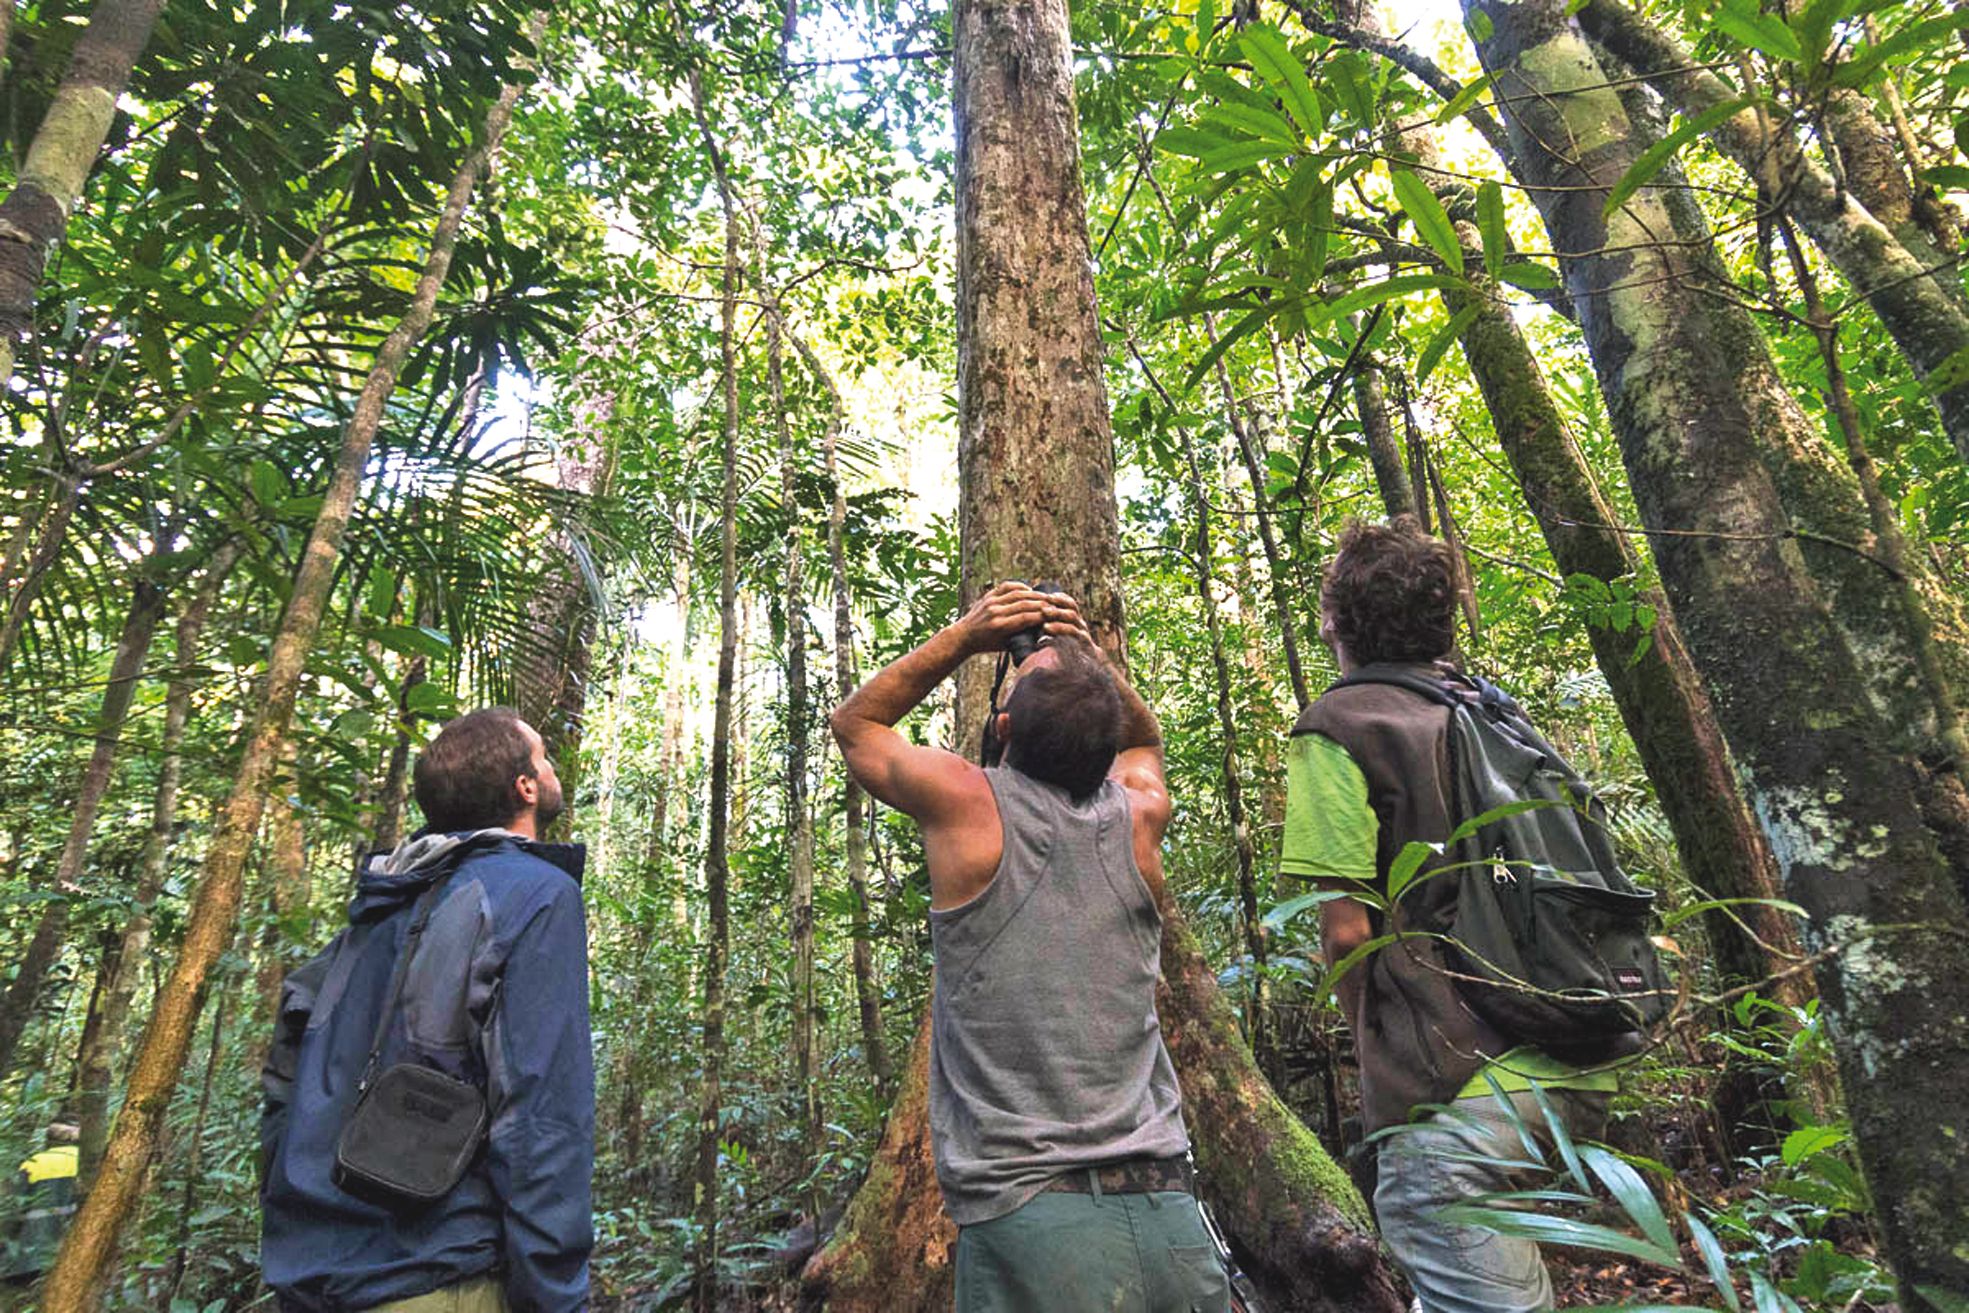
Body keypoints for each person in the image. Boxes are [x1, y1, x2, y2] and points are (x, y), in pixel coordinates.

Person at [830, 581, 1229, 1313]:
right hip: (1168, 1213)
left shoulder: (966, 802)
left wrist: (970, 634)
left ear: (1002, 728)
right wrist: (1089, 658)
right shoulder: (1141, 818)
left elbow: (857, 724)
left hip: (1031, 1220)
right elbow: (1142, 741)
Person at [1281, 516, 1638, 1313]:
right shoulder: (1489, 707)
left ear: (1334, 619)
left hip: (1470, 1073)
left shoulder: (1338, 726)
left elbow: (1346, 931)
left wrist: (1382, 1065)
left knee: (1423, 1191)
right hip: (1581, 1036)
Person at [261, 709, 593, 1313]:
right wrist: (554, 1296)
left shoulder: (380, 905)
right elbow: (541, 1117)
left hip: (313, 1278)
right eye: (542, 757)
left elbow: (287, 1080)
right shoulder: (536, 894)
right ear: (524, 787)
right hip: (437, 1275)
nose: (549, 767)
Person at [0, 1124, 79, 1290]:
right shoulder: (88, 1162)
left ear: (49, 1140)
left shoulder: (34, 1163)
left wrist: (5, 1237)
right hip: (72, 1247)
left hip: (31, 1250)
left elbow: (17, 1206)